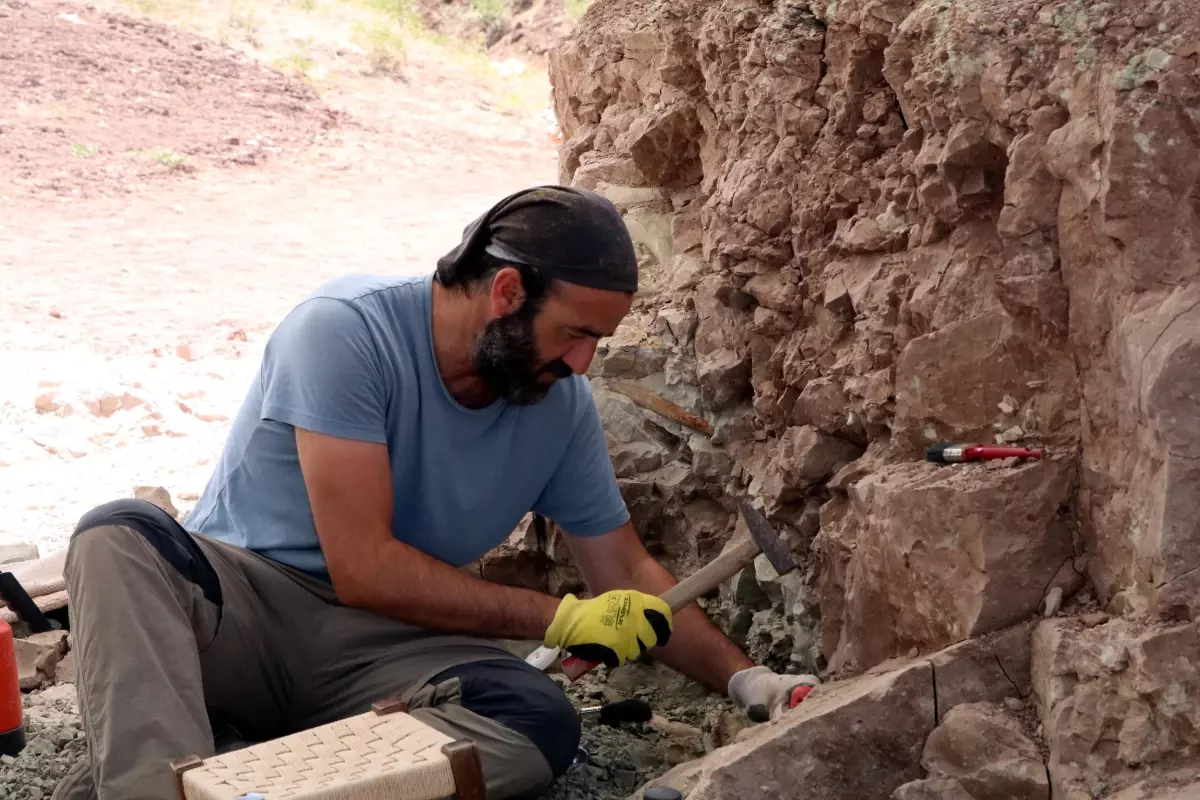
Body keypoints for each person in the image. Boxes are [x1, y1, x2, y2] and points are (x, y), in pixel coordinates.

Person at [53, 185, 818, 800]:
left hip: (382, 648)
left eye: (599, 343)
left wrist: (747, 678)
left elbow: (623, 571)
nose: (583, 363)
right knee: (118, 537)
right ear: (507, 290)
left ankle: (235, 768)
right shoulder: (345, 332)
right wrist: (563, 617)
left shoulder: (557, 405)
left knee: (535, 719)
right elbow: (364, 567)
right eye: (575, 333)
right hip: (239, 620)